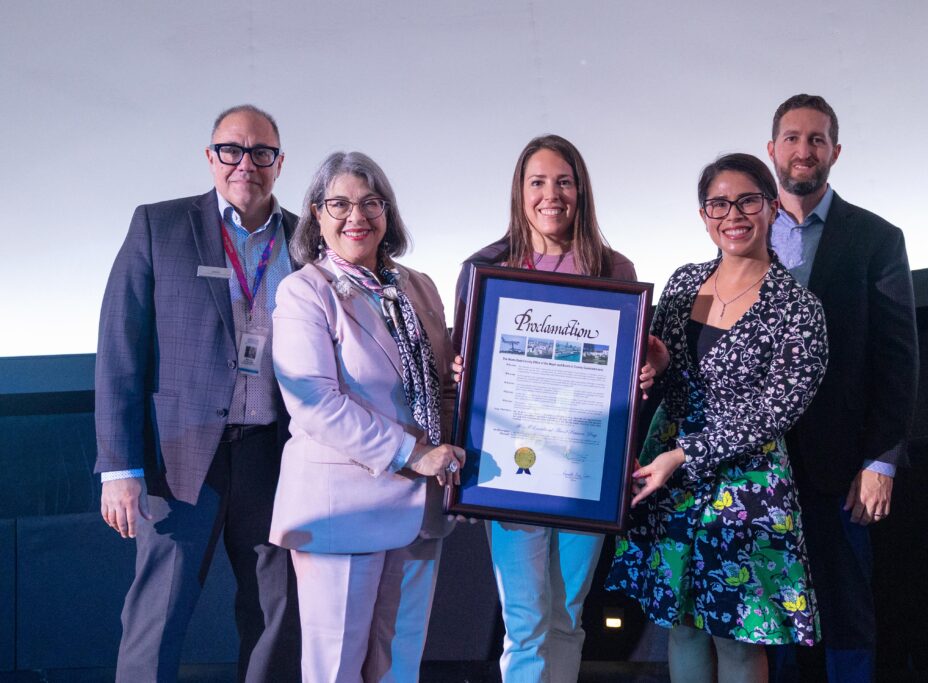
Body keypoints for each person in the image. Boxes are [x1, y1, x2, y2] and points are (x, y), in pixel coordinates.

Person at [95, 104, 300, 682]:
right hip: (181, 459)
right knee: (157, 616)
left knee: (276, 615)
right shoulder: (159, 226)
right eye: (232, 150)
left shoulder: (306, 238)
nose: (246, 164)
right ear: (211, 157)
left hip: (274, 455)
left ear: (279, 163)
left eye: (262, 153)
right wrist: (118, 468)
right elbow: (119, 350)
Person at [605, 153, 829, 683]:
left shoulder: (798, 308)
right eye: (718, 204)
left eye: (748, 200)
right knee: (681, 626)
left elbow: (778, 409)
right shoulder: (684, 283)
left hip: (746, 488)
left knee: (735, 637)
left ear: (773, 208)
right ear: (704, 216)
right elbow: (661, 372)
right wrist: (656, 367)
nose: (734, 214)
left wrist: (685, 455)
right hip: (671, 481)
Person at [269, 151, 465, 682]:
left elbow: (442, 387)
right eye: (340, 204)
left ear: (388, 212)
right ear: (316, 214)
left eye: (370, 202)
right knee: (336, 670)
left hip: (421, 512)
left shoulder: (417, 286)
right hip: (340, 513)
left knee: (400, 667)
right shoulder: (303, 291)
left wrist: (450, 466)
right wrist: (413, 454)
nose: (356, 216)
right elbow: (314, 403)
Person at [452, 134, 637, 683]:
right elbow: (461, 366)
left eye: (563, 181)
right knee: (527, 622)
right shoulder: (485, 267)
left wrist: (646, 367)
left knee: (567, 619)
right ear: (520, 191)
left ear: (580, 190)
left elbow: (629, 374)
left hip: (587, 475)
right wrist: (463, 374)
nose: (551, 194)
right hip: (513, 473)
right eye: (538, 182)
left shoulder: (614, 269)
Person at [766, 94, 919, 682]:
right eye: (793, 138)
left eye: (816, 139)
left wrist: (881, 460)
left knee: (846, 620)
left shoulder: (876, 238)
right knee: (773, 625)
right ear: (772, 148)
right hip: (762, 471)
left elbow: (898, 358)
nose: (803, 151)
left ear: (835, 151)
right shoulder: (741, 234)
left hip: (844, 472)